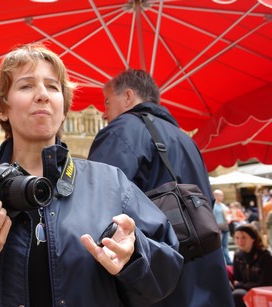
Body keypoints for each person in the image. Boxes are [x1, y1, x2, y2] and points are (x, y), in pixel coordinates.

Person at [0, 43, 184, 306]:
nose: (43, 95)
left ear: (63, 108)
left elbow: (167, 275)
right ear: (2, 108)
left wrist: (135, 256)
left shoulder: (112, 183)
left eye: (53, 86)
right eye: (26, 86)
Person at [87, 69, 233, 306]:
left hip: (159, 281)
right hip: (205, 274)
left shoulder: (121, 130)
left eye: (106, 102)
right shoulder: (186, 140)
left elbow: (96, 202)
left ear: (128, 96)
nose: (104, 114)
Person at [232, 223, 272, 307]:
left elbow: (264, 283)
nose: (240, 241)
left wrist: (240, 284)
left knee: (237, 295)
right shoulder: (237, 256)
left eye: (243, 237)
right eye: (237, 238)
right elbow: (236, 278)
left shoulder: (265, 256)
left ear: (253, 238)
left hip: (262, 291)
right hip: (244, 289)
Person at [213, 189, 232, 265]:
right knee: (219, 247)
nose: (223, 197)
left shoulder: (223, 205)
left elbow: (228, 215)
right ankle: (222, 262)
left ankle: (228, 261)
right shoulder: (213, 206)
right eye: (221, 195)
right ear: (216, 196)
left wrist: (229, 218)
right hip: (218, 228)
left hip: (225, 227)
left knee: (225, 246)